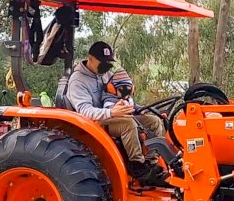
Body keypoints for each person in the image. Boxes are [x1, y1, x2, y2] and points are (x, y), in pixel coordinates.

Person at [66, 41, 167, 184]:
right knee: (128, 123)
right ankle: (137, 166)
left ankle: (151, 163)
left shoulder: (105, 74)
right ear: (90, 59)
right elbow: (85, 111)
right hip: (94, 123)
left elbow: (120, 95)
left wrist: (142, 109)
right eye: (103, 62)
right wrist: (112, 112)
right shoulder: (78, 81)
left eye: (109, 63)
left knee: (154, 121)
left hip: (113, 115)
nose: (107, 66)